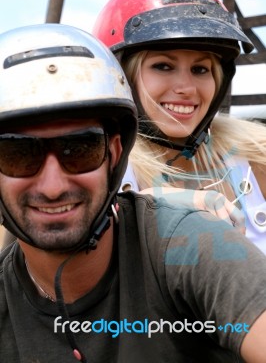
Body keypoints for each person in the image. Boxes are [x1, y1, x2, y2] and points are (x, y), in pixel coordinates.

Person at [2, 23, 266, 363]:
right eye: (18, 154)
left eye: (81, 149)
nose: (53, 186)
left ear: (113, 154)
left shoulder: (189, 239)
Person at [93, 0, 266, 254]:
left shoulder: (254, 159)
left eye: (200, 70)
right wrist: (154, 206)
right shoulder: (99, 168)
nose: (186, 88)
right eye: (163, 66)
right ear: (121, 75)